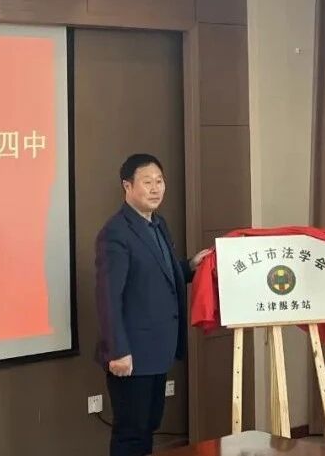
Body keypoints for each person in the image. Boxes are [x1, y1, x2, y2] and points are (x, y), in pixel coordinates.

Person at [95, 153, 209, 456]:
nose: (156, 188)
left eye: (160, 181)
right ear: (127, 186)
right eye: (147, 182)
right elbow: (108, 297)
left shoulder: (158, 224)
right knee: (131, 433)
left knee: (148, 427)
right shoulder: (116, 232)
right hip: (131, 354)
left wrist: (189, 266)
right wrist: (118, 350)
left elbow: (157, 275)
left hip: (158, 350)